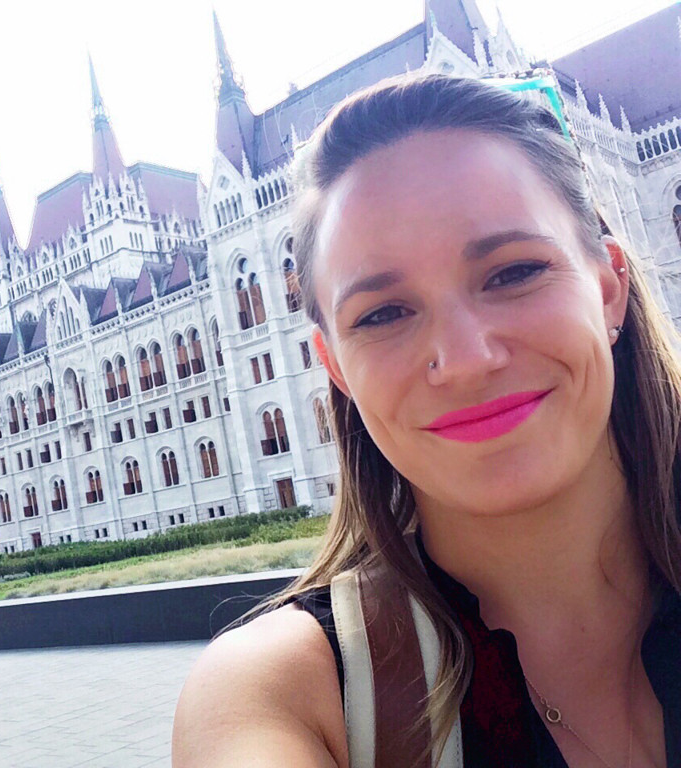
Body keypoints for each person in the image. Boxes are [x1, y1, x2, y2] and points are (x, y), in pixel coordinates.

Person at [171, 73, 680, 768]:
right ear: (337, 369)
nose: (466, 360)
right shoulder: (285, 696)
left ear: (609, 286)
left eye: (514, 272)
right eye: (382, 314)